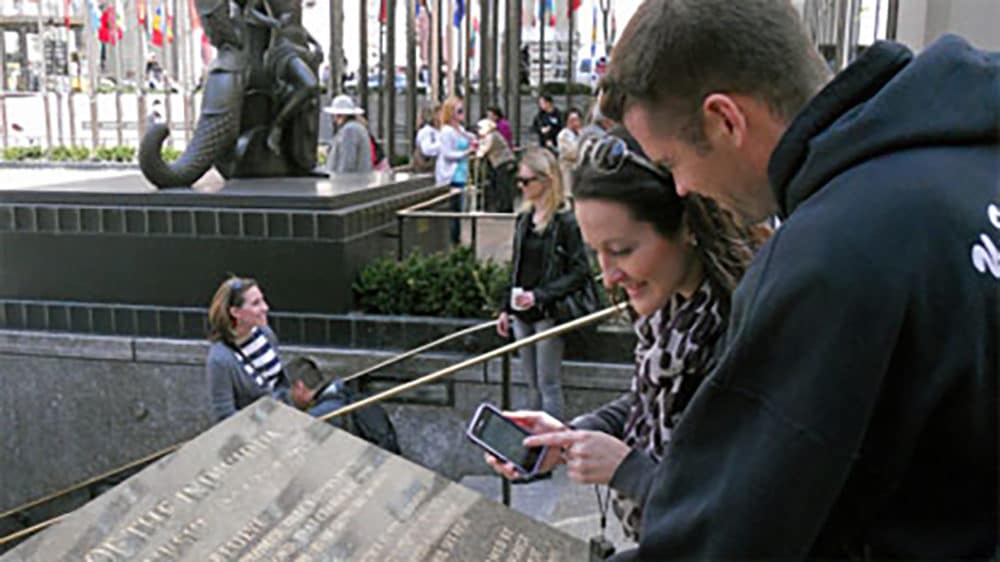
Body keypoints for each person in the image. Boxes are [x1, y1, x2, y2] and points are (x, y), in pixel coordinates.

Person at [598, 0, 998, 558]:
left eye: (671, 164)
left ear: (725, 119)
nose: (682, 189)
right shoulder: (975, 155)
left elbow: (729, 538)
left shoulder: (832, 254)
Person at [486, 131, 761, 536]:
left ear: (687, 227)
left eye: (621, 250)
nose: (609, 276)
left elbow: (743, 509)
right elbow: (646, 401)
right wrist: (571, 437)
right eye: (596, 252)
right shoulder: (668, 312)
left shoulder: (746, 332)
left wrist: (627, 470)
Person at [496, 147, 590, 426]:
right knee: (532, 386)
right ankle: (535, 443)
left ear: (546, 180)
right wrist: (505, 308)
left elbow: (580, 271)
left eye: (526, 181)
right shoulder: (524, 219)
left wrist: (539, 296)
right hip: (522, 311)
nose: (521, 186)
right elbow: (517, 266)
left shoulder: (565, 221)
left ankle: (551, 443)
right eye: (519, 181)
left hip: (548, 311)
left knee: (548, 383)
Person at [205, 276, 292, 421]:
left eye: (263, 300)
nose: (265, 307)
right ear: (235, 312)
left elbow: (280, 383)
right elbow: (225, 415)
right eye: (256, 303)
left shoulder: (265, 333)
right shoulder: (220, 359)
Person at [436, 96, 477, 244]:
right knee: (454, 210)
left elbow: (471, 138)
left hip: (462, 173)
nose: (462, 114)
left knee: (459, 210)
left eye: (462, 110)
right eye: (459, 111)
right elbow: (447, 153)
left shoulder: (460, 130)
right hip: (452, 175)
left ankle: (457, 239)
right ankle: (454, 241)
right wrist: (466, 152)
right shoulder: (446, 131)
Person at [324, 94, 373, 174]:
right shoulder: (357, 128)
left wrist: (340, 179)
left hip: (349, 180)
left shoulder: (349, 130)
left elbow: (347, 162)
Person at [475, 117, 516, 212]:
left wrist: (478, 153)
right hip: (502, 162)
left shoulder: (492, 136)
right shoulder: (493, 134)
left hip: (503, 162)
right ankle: (504, 206)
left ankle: (505, 207)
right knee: (502, 186)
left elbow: (485, 149)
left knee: (503, 186)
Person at [556, 107, 583, 194]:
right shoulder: (563, 135)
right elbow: (572, 153)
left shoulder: (582, 133)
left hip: (580, 170)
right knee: (569, 193)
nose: (575, 122)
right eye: (572, 120)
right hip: (568, 169)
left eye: (577, 119)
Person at [412, 102, 440, 173]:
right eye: (438, 113)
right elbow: (427, 150)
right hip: (428, 170)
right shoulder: (426, 131)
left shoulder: (440, 130)